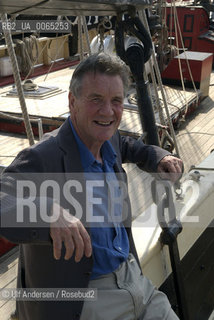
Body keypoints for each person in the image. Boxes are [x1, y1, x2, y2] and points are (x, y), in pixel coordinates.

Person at [0, 53, 183, 320]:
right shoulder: (44, 156)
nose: (108, 112)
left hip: (134, 278)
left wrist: (158, 157)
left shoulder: (108, 137)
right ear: (72, 102)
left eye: (116, 101)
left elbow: (128, 146)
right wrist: (49, 212)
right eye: (96, 99)